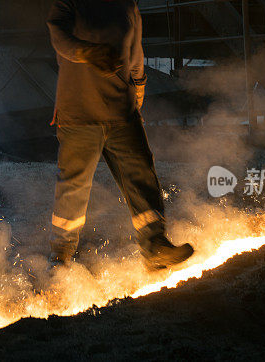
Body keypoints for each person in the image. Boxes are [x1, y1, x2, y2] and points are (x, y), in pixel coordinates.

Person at [47, 0, 194, 270]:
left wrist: (138, 87)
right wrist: (86, 52)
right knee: (74, 186)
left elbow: (135, 52)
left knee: (141, 175)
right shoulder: (67, 3)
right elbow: (60, 38)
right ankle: (61, 257)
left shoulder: (128, 5)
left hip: (121, 111)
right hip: (79, 113)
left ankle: (155, 247)